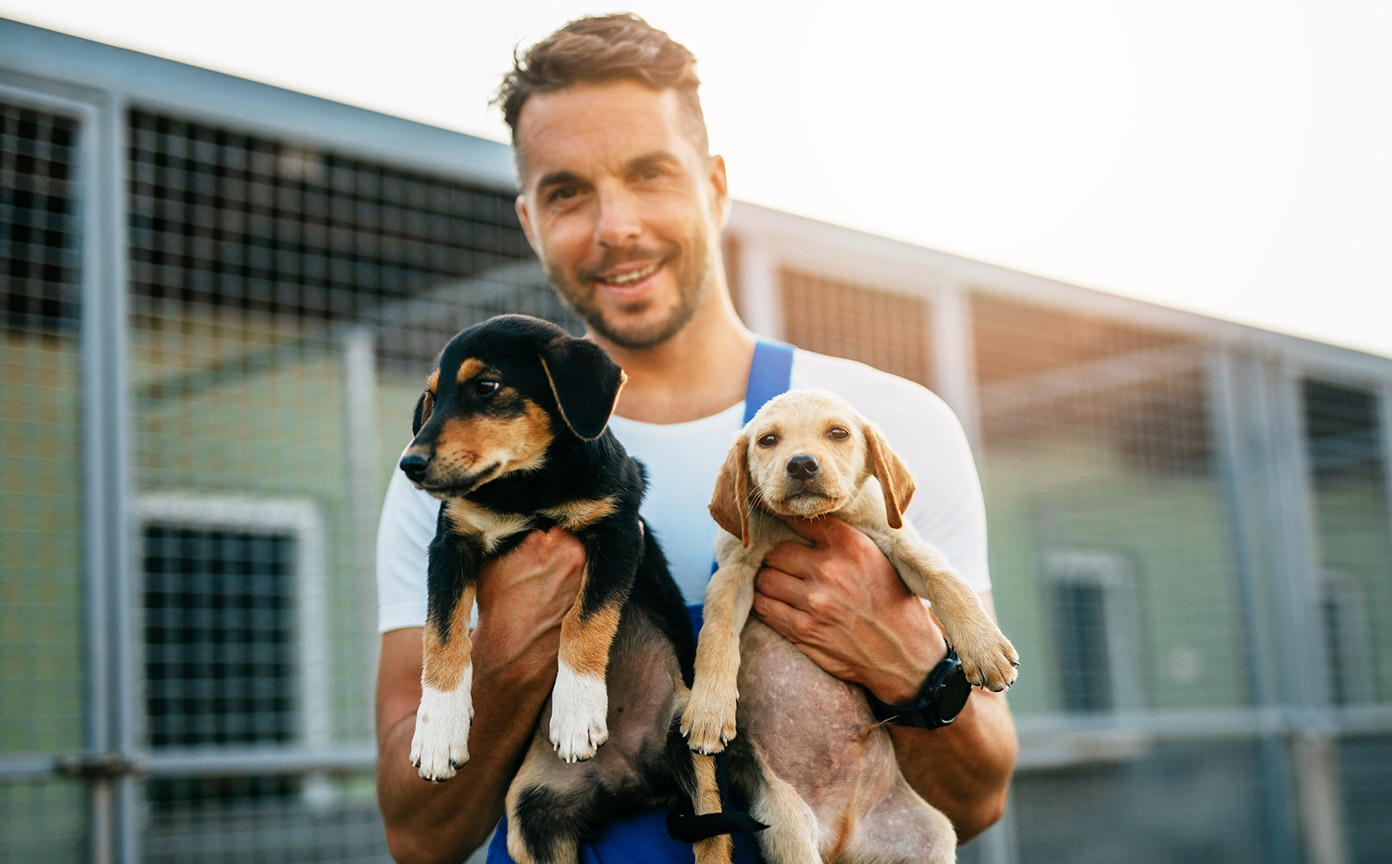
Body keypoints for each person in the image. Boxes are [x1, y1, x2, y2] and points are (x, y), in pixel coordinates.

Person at [374, 13, 1017, 864]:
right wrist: (511, 654)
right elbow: (418, 837)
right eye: (568, 192)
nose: (616, 225)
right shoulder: (461, 468)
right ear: (530, 221)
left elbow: (976, 802)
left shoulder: (887, 427)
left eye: (651, 174)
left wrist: (906, 663)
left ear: (715, 185)